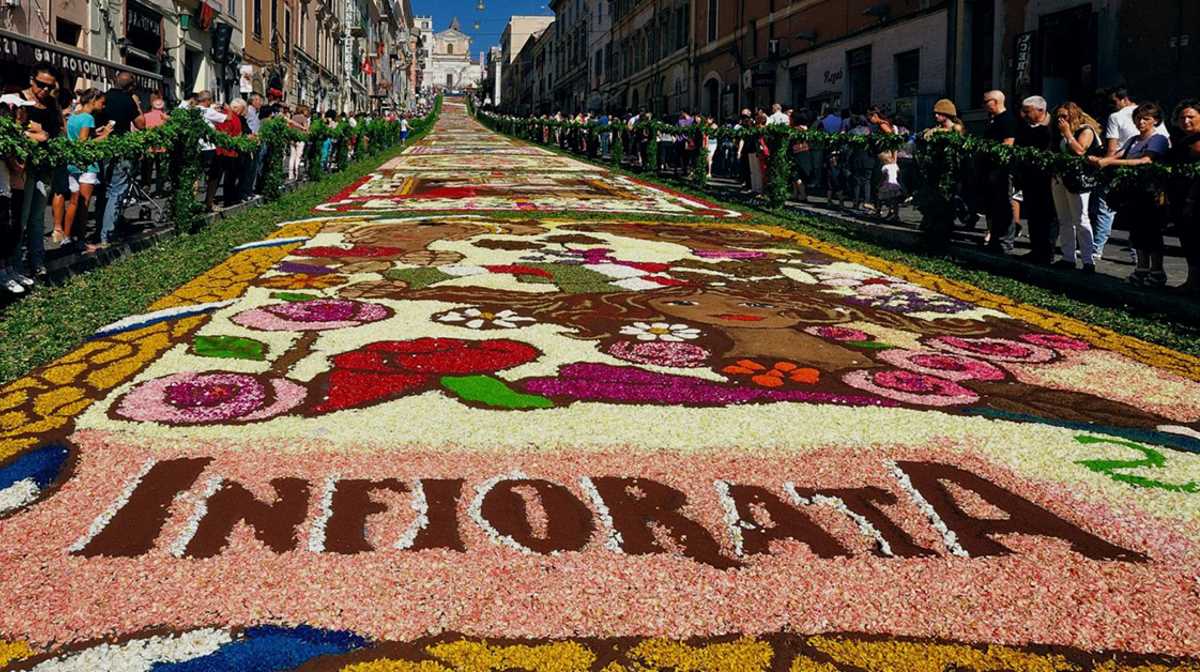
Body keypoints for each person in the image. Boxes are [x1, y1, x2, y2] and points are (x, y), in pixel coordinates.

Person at [1090, 103, 1171, 286]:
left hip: (1150, 192)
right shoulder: (1134, 139)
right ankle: (1141, 269)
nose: (1141, 122)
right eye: (1138, 118)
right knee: (1136, 231)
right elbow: (1118, 155)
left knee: (1151, 231)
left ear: (1155, 121)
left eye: (1146, 119)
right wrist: (1101, 160)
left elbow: (1145, 160)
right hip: (1132, 192)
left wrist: (1109, 164)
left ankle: (1157, 271)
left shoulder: (1158, 139)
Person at [11, 62, 63, 283]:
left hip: (45, 166)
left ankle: (37, 262)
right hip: (23, 167)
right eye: (41, 84)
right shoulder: (17, 100)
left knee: (37, 217)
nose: (44, 90)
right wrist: (37, 135)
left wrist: (42, 134)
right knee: (20, 218)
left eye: (49, 86)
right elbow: (13, 131)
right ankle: (14, 265)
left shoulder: (51, 103)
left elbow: (58, 131)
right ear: (32, 80)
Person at [1049, 102, 1101, 271]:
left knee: (1081, 219)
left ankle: (1087, 260)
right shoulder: (1058, 133)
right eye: (1058, 117)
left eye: (1065, 116)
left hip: (1078, 180)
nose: (1061, 120)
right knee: (1064, 219)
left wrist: (1068, 134)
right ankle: (1068, 257)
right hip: (1060, 178)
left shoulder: (1085, 130)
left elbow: (1080, 151)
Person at [96, 72, 146, 247]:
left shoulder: (104, 97)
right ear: (131, 87)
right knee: (117, 190)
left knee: (105, 190)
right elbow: (141, 124)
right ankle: (107, 234)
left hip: (102, 147)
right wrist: (138, 105)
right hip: (121, 148)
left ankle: (100, 229)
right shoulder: (128, 100)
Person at [64, 89, 111, 251]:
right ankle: (81, 240)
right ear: (93, 100)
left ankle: (66, 236)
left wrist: (94, 134)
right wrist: (104, 136)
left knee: (73, 202)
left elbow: (77, 138)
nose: (103, 106)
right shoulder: (88, 117)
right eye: (101, 102)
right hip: (86, 164)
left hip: (72, 163)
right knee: (84, 204)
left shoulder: (73, 116)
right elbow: (84, 143)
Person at [1015, 96, 1057, 265]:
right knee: (1033, 214)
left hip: (1047, 177)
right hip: (1029, 177)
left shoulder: (1053, 127)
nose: (1024, 115)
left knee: (1048, 215)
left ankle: (1048, 250)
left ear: (1040, 110)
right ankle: (1036, 249)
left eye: (1027, 111)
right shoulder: (1025, 127)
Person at [980, 90, 1018, 253]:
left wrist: (996, 162)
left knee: (1003, 204)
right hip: (990, 167)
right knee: (993, 205)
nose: (983, 104)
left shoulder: (1007, 120)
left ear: (994, 102)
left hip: (1001, 168)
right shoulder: (992, 119)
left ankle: (1005, 242)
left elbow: (1008, 143)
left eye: (985, 101)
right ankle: (995, 238)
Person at [1169, 99, 1200, 292]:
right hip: (1181, 197)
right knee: (1189, 240)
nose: (1186, 121)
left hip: (1195, 198)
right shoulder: (1181, 139)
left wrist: (1191, 199)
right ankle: (1193, 281)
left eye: (1191, 117)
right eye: (1182, 118)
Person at [287, 104, 311, 182]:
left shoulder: (293, 117)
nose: (308, 112)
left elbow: (290, 126)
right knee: (298, 156)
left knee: (292, 156)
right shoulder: (303, 118)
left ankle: (290, 175)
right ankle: (297, 174)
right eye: (307, 110)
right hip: (300, 139)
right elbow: (306, 129)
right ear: (303, 110)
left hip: (292, 138)